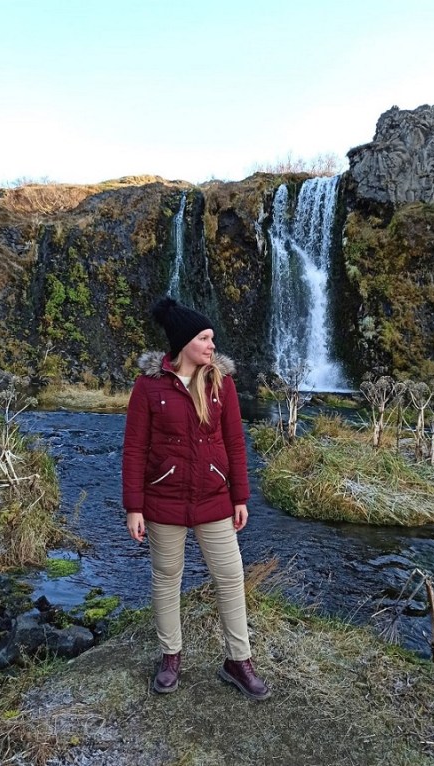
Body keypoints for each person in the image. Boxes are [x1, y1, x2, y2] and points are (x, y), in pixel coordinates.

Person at [122, 297, 270, 701]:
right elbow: (134, 448)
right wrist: (134, 506)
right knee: (167, 577)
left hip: (213, 496)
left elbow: (235, 442)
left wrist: (240, 496)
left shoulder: (222, 383)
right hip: (164, 497)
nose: (211, 345)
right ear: (184, 342)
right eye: (204, 338)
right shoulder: (149, 387)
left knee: (230, 576)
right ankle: (171, 657)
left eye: (212, 338)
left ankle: (238, 661)